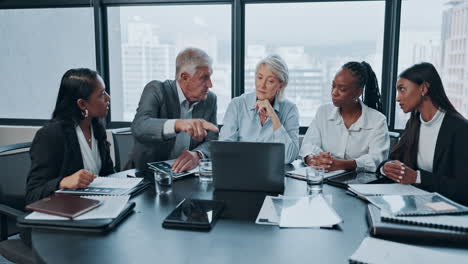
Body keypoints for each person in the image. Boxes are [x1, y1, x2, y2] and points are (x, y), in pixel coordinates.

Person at [380, 62, 468, 205]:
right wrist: (387, 168)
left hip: (448, 212)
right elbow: (394, 160)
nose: (397, 98)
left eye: (402, 90)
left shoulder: (460, 129)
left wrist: (417, 177)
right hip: (415, 204)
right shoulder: (413, 124)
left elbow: (464, 189)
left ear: (423, 88)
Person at [26, 68, 114, 205]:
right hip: (65, 213)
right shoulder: (51, 135)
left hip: (94, 206)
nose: (108, 98)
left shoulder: (96, 127)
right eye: (101, 94)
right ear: (82, 104)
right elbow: (32, 195)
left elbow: (108, 174)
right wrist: (62, 182)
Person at [127, 47, 219, 173]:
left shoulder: (210, 99)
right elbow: (139, 126)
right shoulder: (156, 89)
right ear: (185, 77)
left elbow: (212, 140)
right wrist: (178, 124)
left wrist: (198, 154)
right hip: (146, 176)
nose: (210, 84)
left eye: (210, 77)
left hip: (186, 177)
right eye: (204, 78)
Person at [300, 61, 389, 172]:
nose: (334, 92)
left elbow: (377, 159)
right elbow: (308, 144)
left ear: (358, 92)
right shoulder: (323, 112)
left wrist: (343, 164)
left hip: (359, 184)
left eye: (342, 89)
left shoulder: (378, 120)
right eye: (333, 86)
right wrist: (313, 159)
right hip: (326, 179)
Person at [219, 55, 299, 164]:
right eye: (260, 77)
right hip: (240, 169)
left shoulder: (290, 109)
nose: (262, 85)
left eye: (270, 81)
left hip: (273, 174)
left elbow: (289, 156)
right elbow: (224, 149)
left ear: (281, 85)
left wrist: (273, 117)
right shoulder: (237, 105)